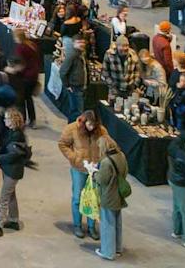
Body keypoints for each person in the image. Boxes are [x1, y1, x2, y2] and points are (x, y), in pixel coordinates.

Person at [58, 110, 111, 239]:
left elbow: (108, 144)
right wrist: (74, 158)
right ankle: (77, 225)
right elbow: (62, 144)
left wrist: (101, 159)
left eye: (94, 125)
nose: (92, 128)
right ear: (84, 122)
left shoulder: (101, 130)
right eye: (90, 125)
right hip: (79, 169)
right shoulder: (71, 129)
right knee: (77, 197)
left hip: (95, 170)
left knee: (93, 198)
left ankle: (92, 227)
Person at [0, 108, 30, 239]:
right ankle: (14, 220)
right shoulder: (12, 132)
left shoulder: (17, 136)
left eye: (6, 118)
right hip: (9, 169)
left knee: (3, 198)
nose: (4, 120)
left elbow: (13, 156)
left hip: (13, 171)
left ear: (12, 120)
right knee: (11, 195)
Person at [93, 137, 129, 260]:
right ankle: (118, 248)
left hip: (108, 195)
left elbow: (101, 180)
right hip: (119, 194)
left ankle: (108, 252)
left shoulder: (106, 162)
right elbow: (125, 172)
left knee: (108, 224)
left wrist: (94, 173)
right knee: (117, 222)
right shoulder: (122, 156)